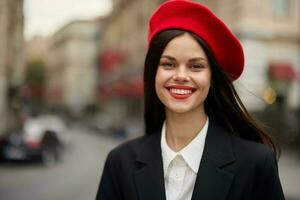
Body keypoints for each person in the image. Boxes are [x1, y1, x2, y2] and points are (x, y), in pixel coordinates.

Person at [96, 0, 285, 199]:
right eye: (168, 65)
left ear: (212, 79)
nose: (181, 75)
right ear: (153, 74)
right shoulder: (119, 163)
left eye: (196, 66)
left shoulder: (256, 163)